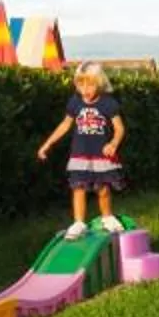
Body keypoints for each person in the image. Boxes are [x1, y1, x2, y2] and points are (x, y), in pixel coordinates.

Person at [36, 64, 128, 239]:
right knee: (78, 188)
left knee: (103, 188)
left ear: (99, 83)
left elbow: (120, 128)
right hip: (80, 154)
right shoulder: (75, 101)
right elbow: (65, 124)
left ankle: (107, 217)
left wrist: (114, 144)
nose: (85, 89)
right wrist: (48, 143)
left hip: (101, 155)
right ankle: (79, 222)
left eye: (90, 85)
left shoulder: (108, 103)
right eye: (81, 85)